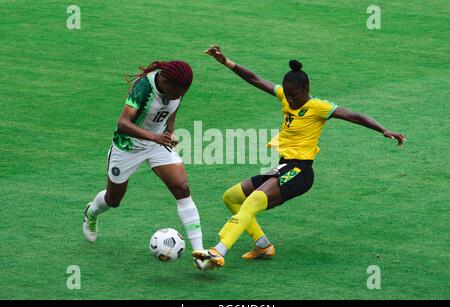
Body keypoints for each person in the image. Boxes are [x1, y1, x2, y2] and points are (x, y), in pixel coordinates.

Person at [193, 45, 406, 269]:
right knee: (232, 197)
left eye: (294, 95)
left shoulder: (318, 107)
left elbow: (353, 115)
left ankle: (217, 251)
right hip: (282, 167)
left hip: (300, 171)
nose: (291, 100)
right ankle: (263, 245)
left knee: (253, 201)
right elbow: (255, 79)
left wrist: (383, 130)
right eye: (288, 95)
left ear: (306, 89)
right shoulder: (285, 96)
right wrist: (226, 61)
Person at [83, 60, 205, 262]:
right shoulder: (143, 88)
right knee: (114, 200)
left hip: (157, 144)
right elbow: (123, 123)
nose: (178, 95)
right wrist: (156, 137)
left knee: (182, 188)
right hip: (128, 147)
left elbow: (173, 109)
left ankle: (200, 253)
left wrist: (169, 131)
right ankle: (92, 212)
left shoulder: (178, 86)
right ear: (164, 81)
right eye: (176, 92)